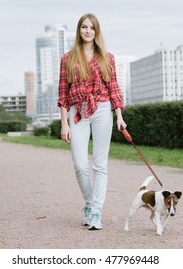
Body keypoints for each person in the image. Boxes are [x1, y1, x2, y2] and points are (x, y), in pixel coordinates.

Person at [57, 13, 126, 230]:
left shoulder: (107, 57)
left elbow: (113, 88)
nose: (88, 31)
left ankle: (96, 211)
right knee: (79, 164)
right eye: (84, 27)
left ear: (97, 31)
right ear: (79, 30)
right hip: (78, 110)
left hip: (102, 109)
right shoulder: (68, 59)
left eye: (92, 28)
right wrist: (64, 123)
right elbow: (63, 92)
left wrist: (120, 117)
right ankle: (89, 202)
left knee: (99, 164)